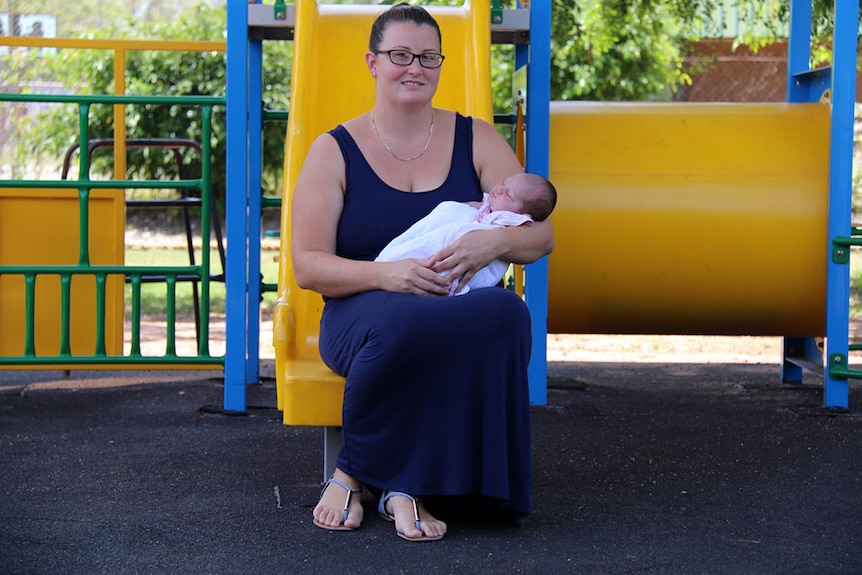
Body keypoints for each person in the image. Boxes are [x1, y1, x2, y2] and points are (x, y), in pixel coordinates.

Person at [291, 3, 554, 542]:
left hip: (448, 309)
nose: (415, 67)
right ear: (373, 62)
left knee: (506, 311)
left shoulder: (475, 138)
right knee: (406, 321)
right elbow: (308, 266)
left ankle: (443, 484)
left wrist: (492, 242)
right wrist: (387, 277)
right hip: (361, 312)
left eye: (428, 56)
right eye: (400, 55)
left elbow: (541, 235)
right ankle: (369, 473)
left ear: (440, 62)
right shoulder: (332, 151)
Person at [375, 172, 557, 295]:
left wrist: (494, 239)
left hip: (453, 270)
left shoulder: (508, 221)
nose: (500, 189)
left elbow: (544, 236)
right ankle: (391, 263)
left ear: (520, 215)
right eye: (503, 183)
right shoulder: (488, 205)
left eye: (509, 195)